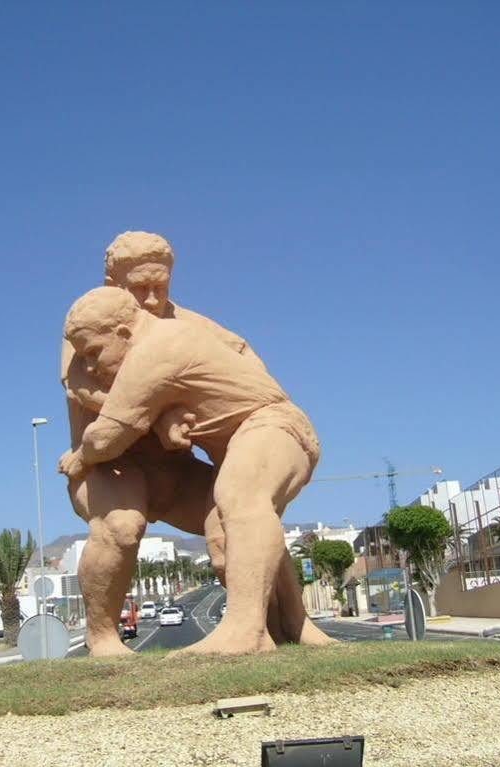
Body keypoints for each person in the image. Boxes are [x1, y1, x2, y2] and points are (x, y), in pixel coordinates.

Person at [62, 231, 316, 656]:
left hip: (182, 465)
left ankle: (285, 624)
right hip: (111, 466)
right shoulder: (88, 324)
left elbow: (241, 352)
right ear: (114, 289)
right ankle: (102, 638)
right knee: (123, 526)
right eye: (137, 289)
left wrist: (214, 399)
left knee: (236, 516)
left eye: (158, 287)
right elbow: (89, 398)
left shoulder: (178, 328)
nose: (149, 299)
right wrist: (162, 413)